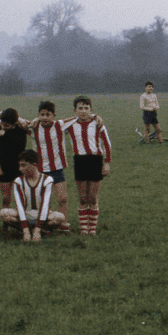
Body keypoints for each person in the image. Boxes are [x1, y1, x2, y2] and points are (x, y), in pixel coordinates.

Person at [62, 95, 111, 235]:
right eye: (80, 108)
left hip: (95, 161)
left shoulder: (97, 124)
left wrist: (106, 163)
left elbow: (107, 144)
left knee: (93, 198)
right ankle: (84, 228)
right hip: (80, 161)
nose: (83, 111)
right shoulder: (70, 125)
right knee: (83, 198)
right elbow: (55, 125)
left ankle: (92, 229)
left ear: (91, 110)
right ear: (75, 111)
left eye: (86, 108)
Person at [0, 150, 68, 242]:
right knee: (4, 213)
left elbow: (45, 205)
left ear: (34, 165)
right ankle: (26, 230)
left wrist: (38, 229)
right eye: (19, 165)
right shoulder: (18, 181)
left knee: (60, 217)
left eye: (24, 165)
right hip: (25, 214)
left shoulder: (47, 180)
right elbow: (19, 206)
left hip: (43, 215)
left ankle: (40, 229)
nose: (20, 169)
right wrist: (25, 229)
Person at [31, 100, 73, 231]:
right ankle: (45, 225)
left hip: (57, 169)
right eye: (41, 114)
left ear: (54, 116)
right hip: (41, 171)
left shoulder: (60, 125)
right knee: (44, 201)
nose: (44, 117)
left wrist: (95, 116)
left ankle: (63, 225)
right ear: (38, 115)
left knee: (62, 198)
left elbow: (77, 118)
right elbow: (15, 120)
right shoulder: (33, 127)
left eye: (48, 114)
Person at [0, 107, 30, 209]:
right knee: (6, 199)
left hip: (19, 169)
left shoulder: (20, 130)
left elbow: (20, 145)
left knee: (21, 198)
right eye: (2, 123)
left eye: (7, 125)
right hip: (4, 170)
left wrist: (6, 135)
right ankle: (6, 222)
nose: (3, 126)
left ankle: (23, 220)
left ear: (14, 124)